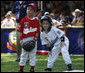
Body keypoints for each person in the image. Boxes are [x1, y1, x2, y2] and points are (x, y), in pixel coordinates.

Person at [17, 3, 40, 72]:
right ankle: (21, 69)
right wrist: (21, 39)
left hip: (33, 39)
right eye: (28, 9)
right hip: (25, 39)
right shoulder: (23, 20)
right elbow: (20, 30)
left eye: (31, 10)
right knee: (24, 54)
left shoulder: (36, 20)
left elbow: (38, 31)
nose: (29, 11)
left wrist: (35, 39)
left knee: (32, 55)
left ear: (35, 12)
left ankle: (32, 69)